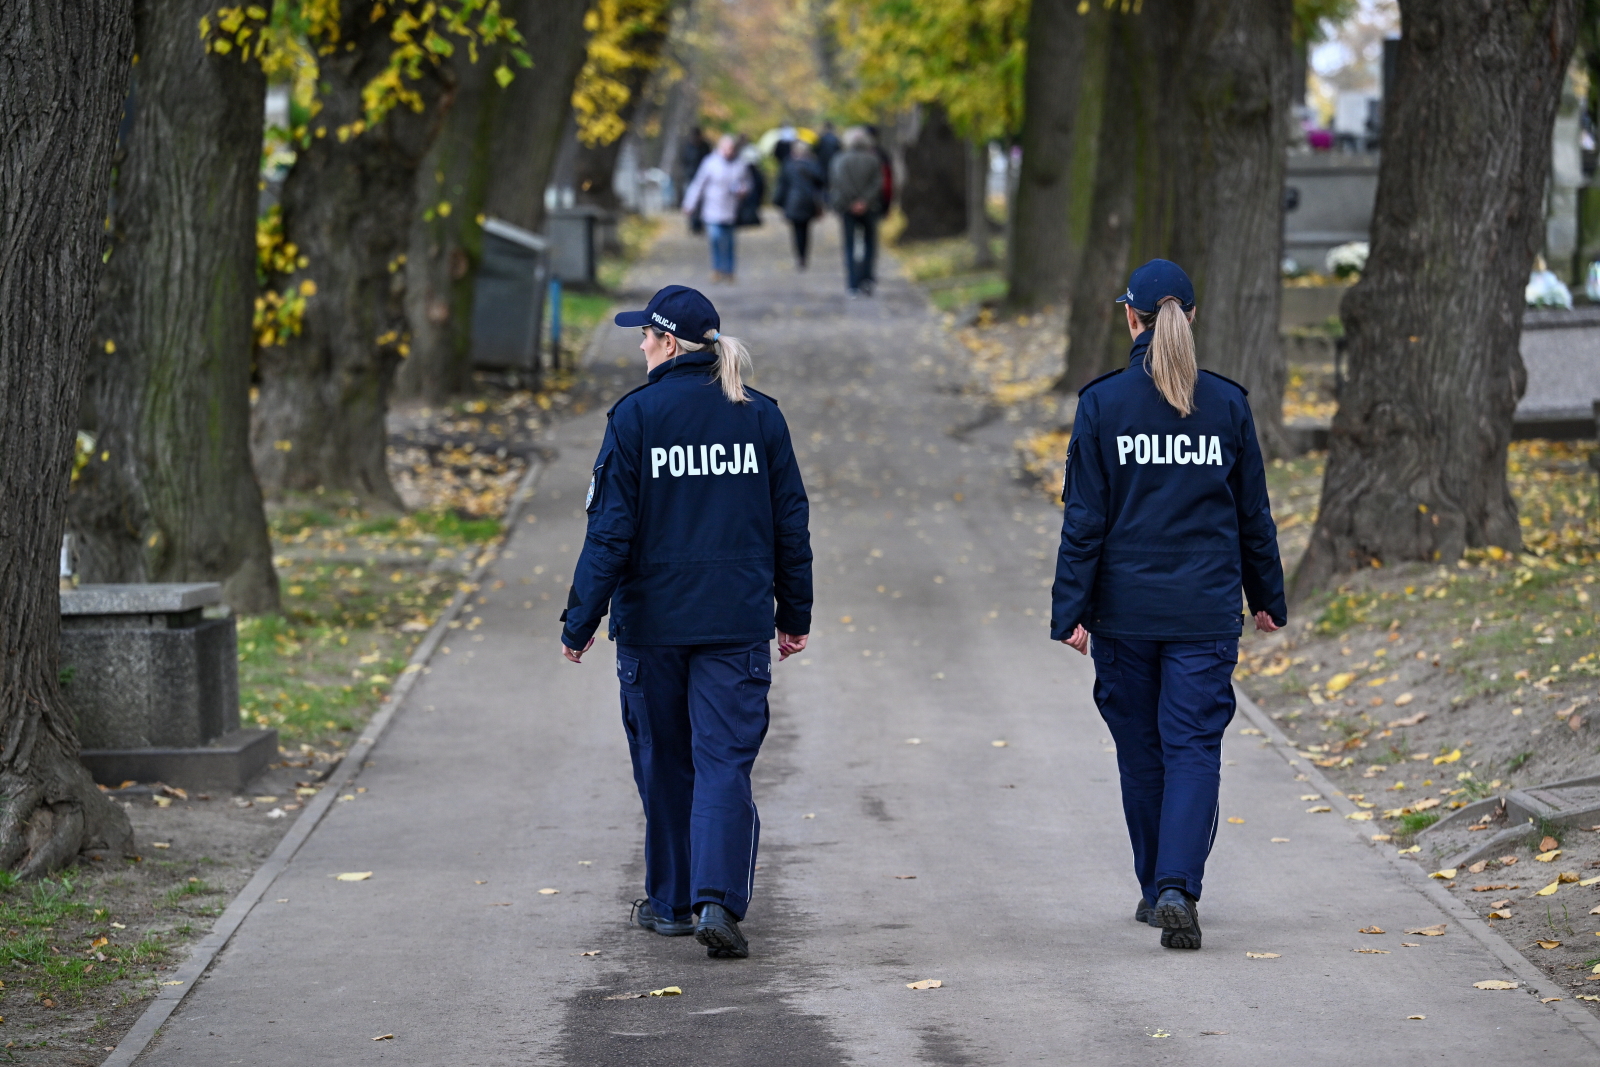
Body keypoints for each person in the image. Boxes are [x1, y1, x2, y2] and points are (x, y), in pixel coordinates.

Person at [560, 285, 813, 960]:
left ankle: (672, 904)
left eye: (644, 334)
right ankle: (716, 901)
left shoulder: (636, 418)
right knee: (724, 760)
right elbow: (792, 522)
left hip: (654, 627)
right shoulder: (760, 417)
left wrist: (579, 619)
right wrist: (795, 613)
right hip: (735, 623)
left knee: (664, 760)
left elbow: (610, 532)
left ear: (668, 343)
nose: (639, 344)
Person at [1051, 259, 1286, 952]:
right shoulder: (1226, 405)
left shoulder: (1102, 405)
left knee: (1141, 750)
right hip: (1205, 612)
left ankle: (1158, 889)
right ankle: (1178, 883)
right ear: (1193, 316)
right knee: (1191, 749)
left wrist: (1070, 608)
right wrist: (1266, 599)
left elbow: (1084, 520)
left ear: (1131, 317)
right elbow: (1254, 519)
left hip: (1125, 613)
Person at [682, 135, 749, 282]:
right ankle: (717, 269)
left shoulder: (739, 164)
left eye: (731, 148)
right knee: (716, 239)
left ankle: (730, 271)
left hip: (731, 209)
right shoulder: (710, 163)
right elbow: (698, 184)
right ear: (720, 148)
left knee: (730, 241)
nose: (729, 151)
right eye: (726, 148)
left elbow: (747, 183)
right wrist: (689, 204)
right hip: (712, 208)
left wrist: (743, 190)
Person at [829, 127, 884, 297]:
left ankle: (852, 284)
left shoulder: (839, 160)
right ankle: (866, 279)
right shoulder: (873, 160)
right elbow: (877, 183)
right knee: (869, 244)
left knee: (850, 245)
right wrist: (864, 201)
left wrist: (852, 201)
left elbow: (838, 183)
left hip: (847, 207)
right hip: (869, 207)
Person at [773, 140, 825, 270]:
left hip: (793, 202)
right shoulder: (813, 164)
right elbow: (821, 182)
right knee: (806, 230)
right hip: (808, 201)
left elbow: (782, 185)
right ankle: (803, 255)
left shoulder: (789, 165)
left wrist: (778, 202)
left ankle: (799, 256)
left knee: (796, 231)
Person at [676, 126, 712, 232]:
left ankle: (700, 223)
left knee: (702, 201)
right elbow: (684, 160)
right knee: (691, 200)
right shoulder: (687, 147)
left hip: (703, 178)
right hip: (690, 177)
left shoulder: (705, 147)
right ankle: (693, 223)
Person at [814, 122, 840, 191]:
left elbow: (815, 151)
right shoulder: (836, 139)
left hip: (822, 164)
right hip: (833, 163)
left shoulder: (821, 139)